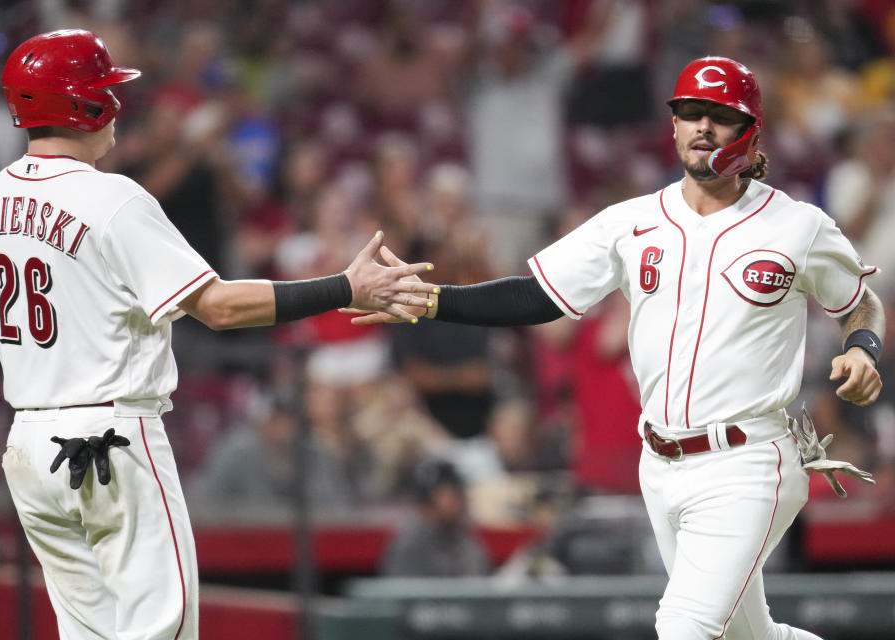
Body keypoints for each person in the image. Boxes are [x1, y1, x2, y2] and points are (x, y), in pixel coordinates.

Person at [349, 57, 884, 639]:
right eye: (689, 113)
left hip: (750, 458)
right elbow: (535, 298)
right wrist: (427, 300)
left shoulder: (796, 225)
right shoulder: (631, 222)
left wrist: (862, 347)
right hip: (660, 463)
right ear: (673, 124)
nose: (701, 127)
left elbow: (860, 300)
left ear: (750, 130)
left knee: (682, 627)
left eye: (719, 116)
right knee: (750, 637)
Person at [0, 30, 436, 640]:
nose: (117, 105)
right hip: (110, 438)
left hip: (29, 446)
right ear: (82, 107)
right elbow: (220, 308)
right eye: (105, 92)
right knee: (162, 632)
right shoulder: (113, 200)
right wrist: (344, 289)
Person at [380, 457, 490, 577]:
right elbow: (401, 592)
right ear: (428, 499)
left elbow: (481, 580)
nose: (457, 502)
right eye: (449, 495)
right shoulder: (410, 545)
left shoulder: (463, 538)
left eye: (458, 494)